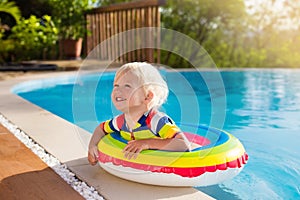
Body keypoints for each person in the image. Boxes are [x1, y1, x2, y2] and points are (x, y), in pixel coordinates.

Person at [88, 62, 191, 166]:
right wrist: (92, 146)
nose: (118, 90)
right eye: (116, 85)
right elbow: (101, 129)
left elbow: (184, 145)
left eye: (127, 86)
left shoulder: (156, 121)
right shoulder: (120, 121)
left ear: (147, 97)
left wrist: (147, 143)